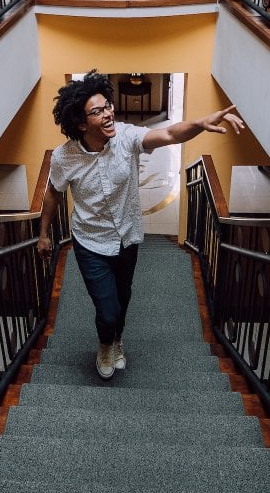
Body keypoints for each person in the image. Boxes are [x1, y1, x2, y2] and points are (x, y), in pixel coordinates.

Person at [37, 71, 244, 379]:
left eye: (108, 105)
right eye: (98, 111)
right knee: (107, 309)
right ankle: (106, 345)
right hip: (90, 242)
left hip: (128, 237)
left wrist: (199, 124)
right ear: (81, 124)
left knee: (123, 298)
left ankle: (117, 338)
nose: (108, 113)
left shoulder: (126, 137)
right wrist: (43, 234)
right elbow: (53, 192)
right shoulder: (63, 158)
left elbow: (171, 135)